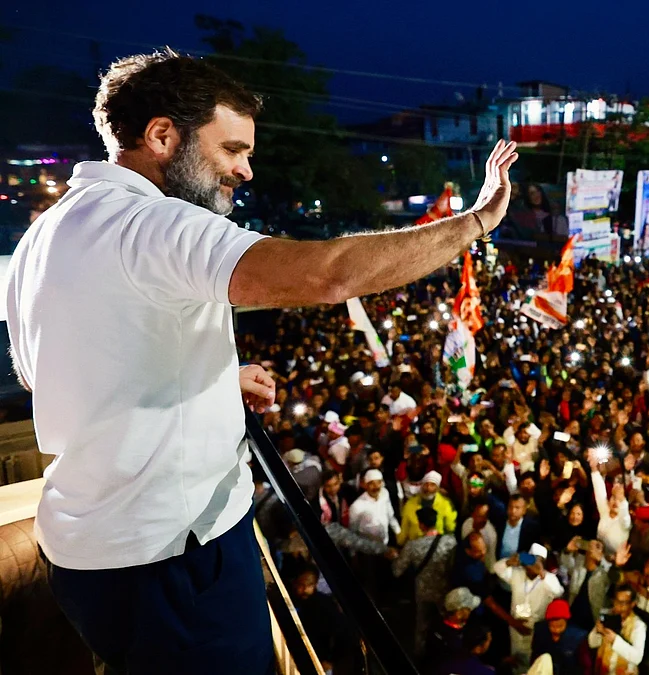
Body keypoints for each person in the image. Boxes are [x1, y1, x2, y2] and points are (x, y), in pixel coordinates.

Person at [6, 47, 514, 673]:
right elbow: (329, 275)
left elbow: (45, 372)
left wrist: (211, 384)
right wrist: (476, 222)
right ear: (162, 135)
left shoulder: (45, 232)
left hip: (88, 554)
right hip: (175, 558)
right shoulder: (155, 224)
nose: (246, 170)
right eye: (232, 149)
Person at [392, 507, 456, 657]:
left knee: (422, 626)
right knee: (448, 624)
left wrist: (395, 556)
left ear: (421, 524)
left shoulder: (413, 546)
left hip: (423, 593)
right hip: (444, 591)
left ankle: (419, 658)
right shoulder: (450, 541)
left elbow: (397, 570)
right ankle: (448, 656)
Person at [494, 543, 564, 665]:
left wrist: (542, 574)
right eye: (531, 559)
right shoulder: (517, 573)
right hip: (516, 623)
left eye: (538, 561)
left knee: (532, 659)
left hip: (535, 628)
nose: (533, 564)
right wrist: (509, 562)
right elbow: (497, 568)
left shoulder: (548, 578)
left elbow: (558, 592)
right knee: (516, 658)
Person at [590, 584, 648, 675]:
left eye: (623, 603)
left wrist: (615, 640)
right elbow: (592, 643)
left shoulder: (639, 626)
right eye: (617, 602)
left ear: (632, 604)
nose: (619, 607)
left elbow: (637, 658)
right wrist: (599, 632)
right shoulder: (608, 616)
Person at [531, 598, 594, 675]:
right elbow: (535, 658)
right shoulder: (540, 632)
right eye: (552, 626)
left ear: (566, 622)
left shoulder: (579, 637)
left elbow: (586, 666)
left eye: (560, 626)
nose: (556, 630)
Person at [398, 470, 458, 544]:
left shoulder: (445, 504)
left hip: (436, 545)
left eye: (432, 485)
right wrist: (400, 543)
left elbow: (450, 528)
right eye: (426, 484)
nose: (428, 488)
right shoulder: (410, 504)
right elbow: (404, 529)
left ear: (437, 488)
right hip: (415, 545)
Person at [426, 587, 481, 668]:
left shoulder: (438, 621)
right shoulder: (453, 641)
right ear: (459, 613)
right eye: (468, 609)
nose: (470, 611)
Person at [350, 469, 400, 545]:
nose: (376, 487)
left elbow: (390, 515)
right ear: (365, 485)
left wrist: (398, 532)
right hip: (368, 547)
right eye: (372, 483)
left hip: (385, 542)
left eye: (378, 483)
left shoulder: (384, 494)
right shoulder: (357, 506)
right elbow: (353, 530)